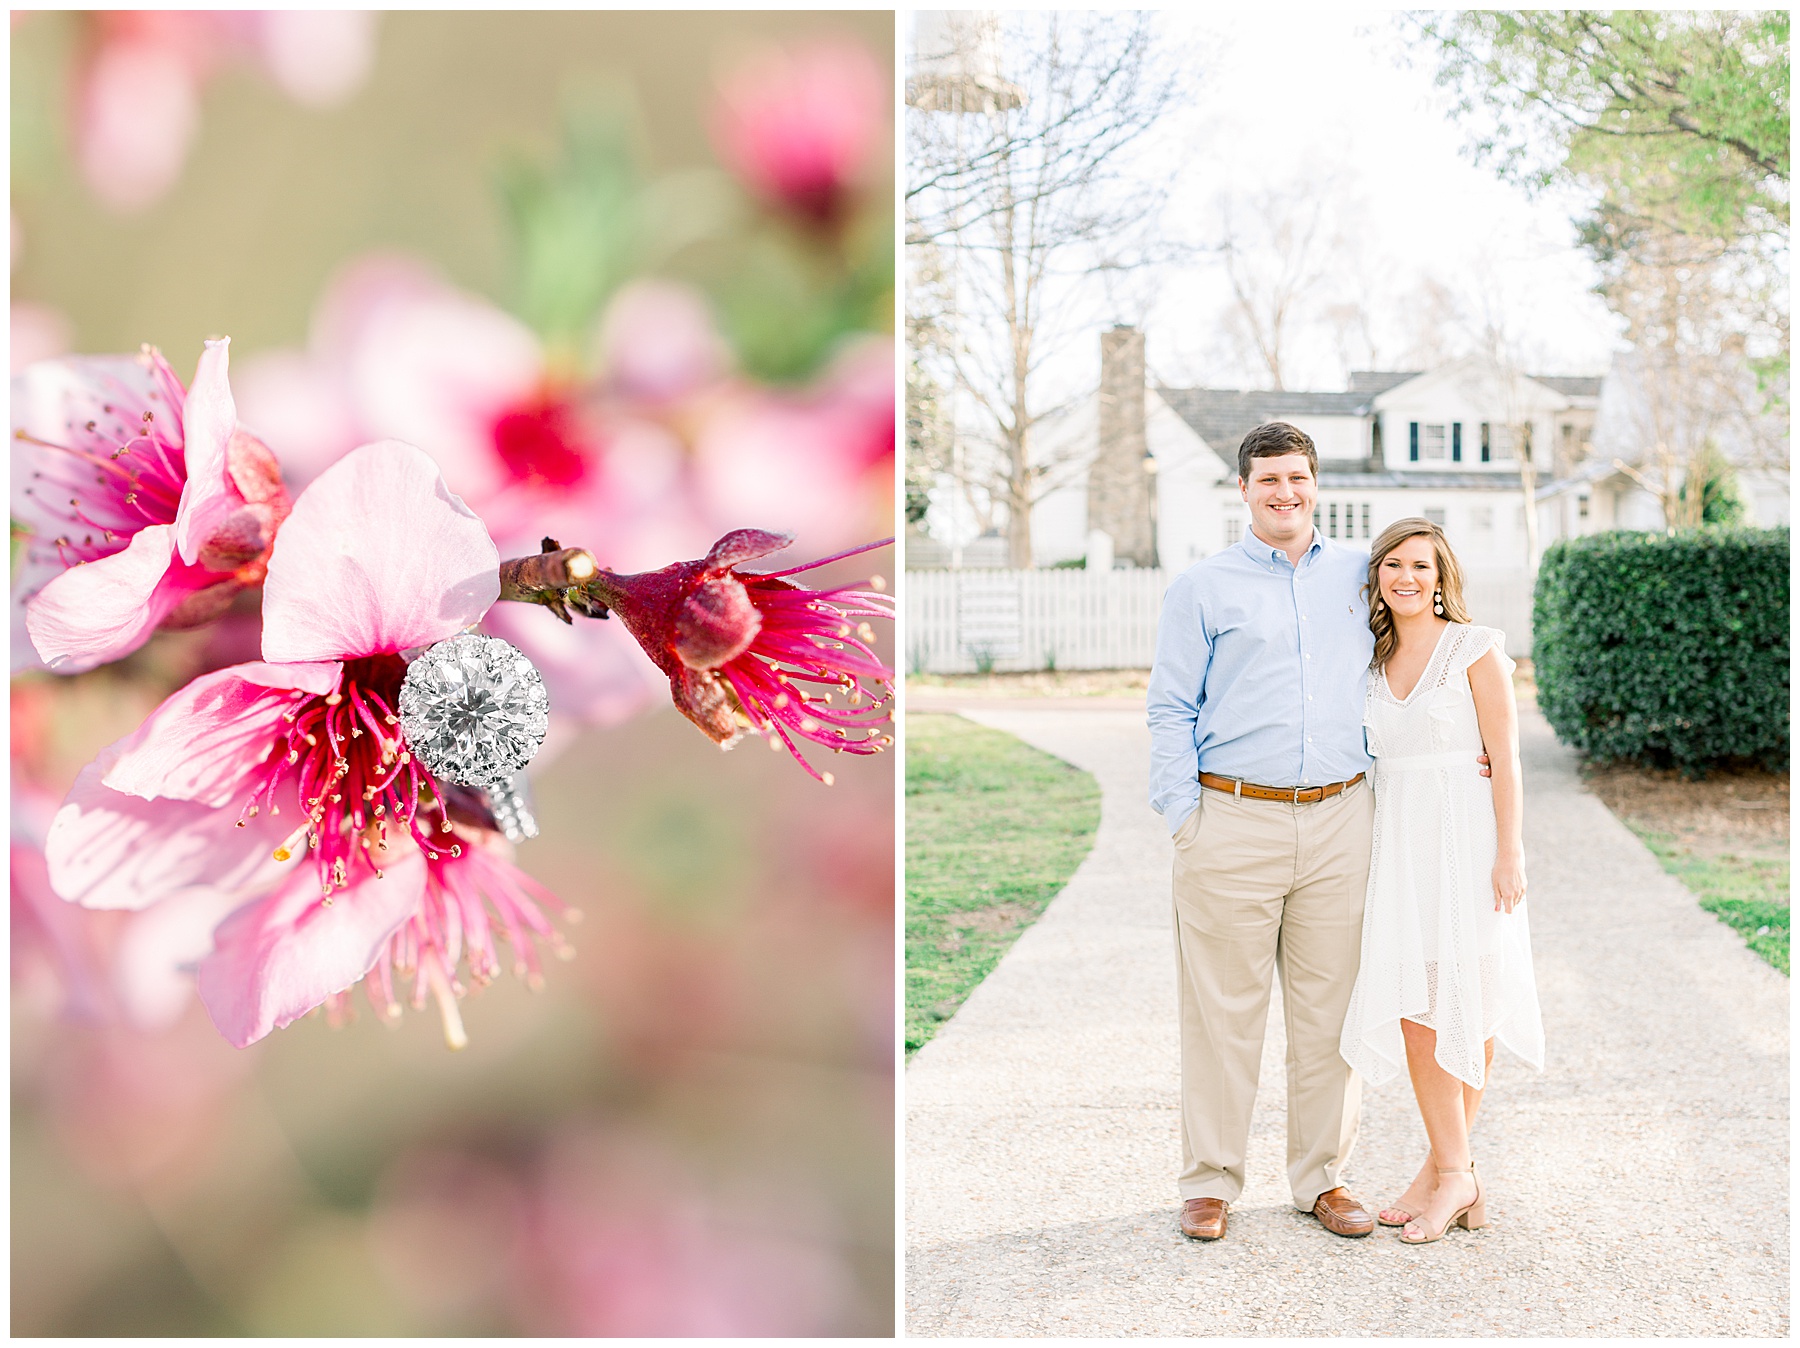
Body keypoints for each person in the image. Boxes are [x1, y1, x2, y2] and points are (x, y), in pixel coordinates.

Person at [1147, 420, 1379, 1242]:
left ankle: (1324, 1179)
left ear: (1317, 486)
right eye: (1269, 480)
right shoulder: (1202, 588)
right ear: (1243, 491)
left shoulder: (1363, 575)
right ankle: (1209, 1181)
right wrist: (1185, 819)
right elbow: (1170, 705)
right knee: (1221, 1016)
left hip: (1342, 819)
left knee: (1333, 1015)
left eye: (1299, 478)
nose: (1286, 493)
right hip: (1231, 821)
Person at [1337, 518, 1545, 1245]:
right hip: (1401, 846)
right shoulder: (1370, 660)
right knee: (1416, 1003)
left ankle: (1449, 1173)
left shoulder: (1475, 647)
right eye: (1392, 564)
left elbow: (1506, 758)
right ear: (1378, 579)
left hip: (1470, 839)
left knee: (1472, 996)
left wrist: (1510, 852)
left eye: (1420, 565)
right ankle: (1451, 1171)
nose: (1406, 577)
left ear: (1440, 576)